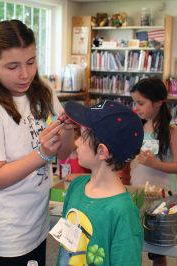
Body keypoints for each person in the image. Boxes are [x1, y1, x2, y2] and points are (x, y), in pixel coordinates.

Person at [0, 20, 75, 265]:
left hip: (36, 221)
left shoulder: (43, 91)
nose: (25, 74)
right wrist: (43, 153)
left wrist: (68, 130)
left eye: (31, 62)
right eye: (13, 66)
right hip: (6, 233)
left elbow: (66, 152)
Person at [56, 100, 144, 266]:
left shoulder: (123, 212)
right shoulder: (76, 186)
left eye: (81, 137)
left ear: (102, 151)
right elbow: (66, 248)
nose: (76, 143)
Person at [130, 77, 177, 194]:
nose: (136, 108)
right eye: (135, 103)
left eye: (141, 103)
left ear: (158, 102)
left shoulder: (171, 131)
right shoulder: (138, 128)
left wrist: (155, 164)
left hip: (163, 193)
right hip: (139, 190)